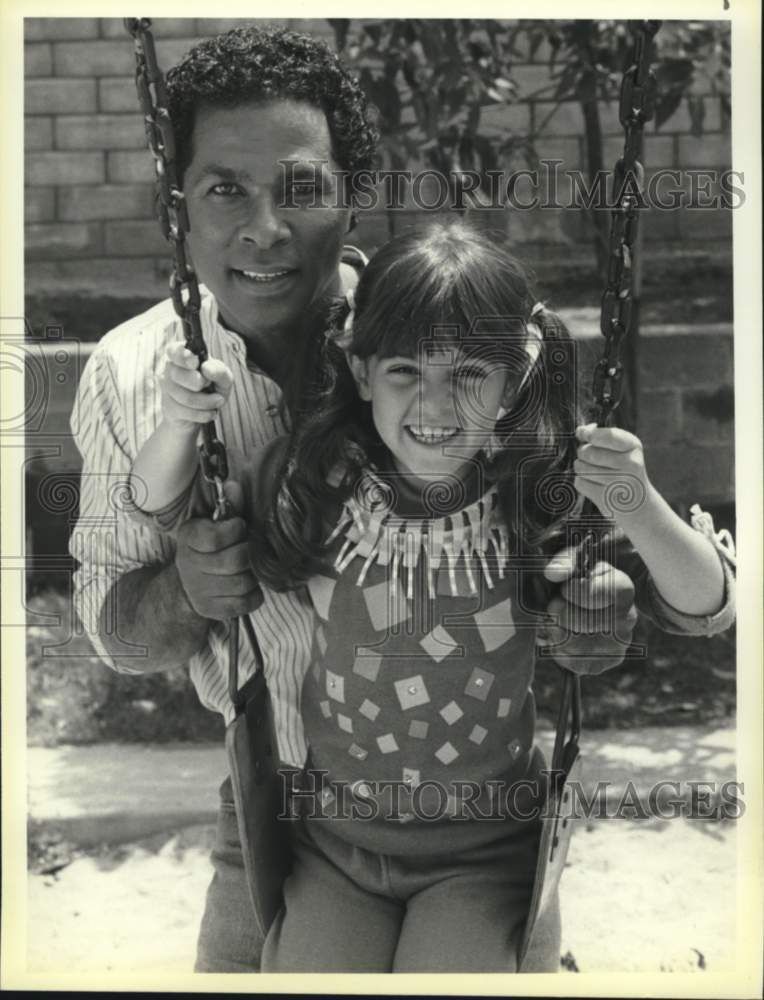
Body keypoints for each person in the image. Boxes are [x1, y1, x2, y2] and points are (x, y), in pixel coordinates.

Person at [129, 221, 736, 972]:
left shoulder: (537, 488)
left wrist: (638, 505)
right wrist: (180, 424)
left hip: (482, 855)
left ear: (516, 377)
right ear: (360, 371)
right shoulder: (318, 482)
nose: (436, 404)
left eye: (471, 374)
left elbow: (708, 605)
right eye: (406, 371)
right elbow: (163, 502)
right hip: (334, 844)